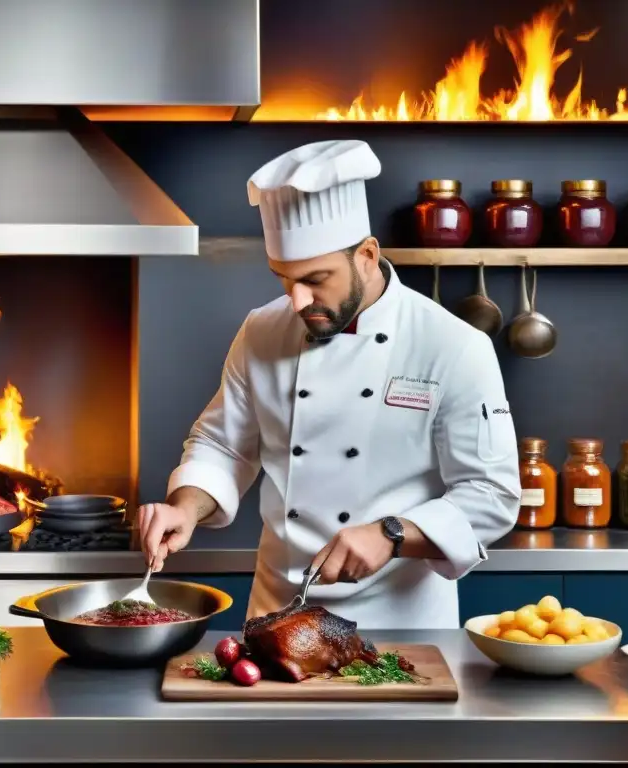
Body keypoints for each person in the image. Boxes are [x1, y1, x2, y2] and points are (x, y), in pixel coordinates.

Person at [137, 139, 521, 629]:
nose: (298, 300)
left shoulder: (452, 345)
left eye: (317, 279)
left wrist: (391, 533)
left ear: (366, 254)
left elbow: (492, 494)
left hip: (401, 628)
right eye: (283, 279)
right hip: (277, 616)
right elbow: (223, 445)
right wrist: (184, 509)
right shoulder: (261, 331)